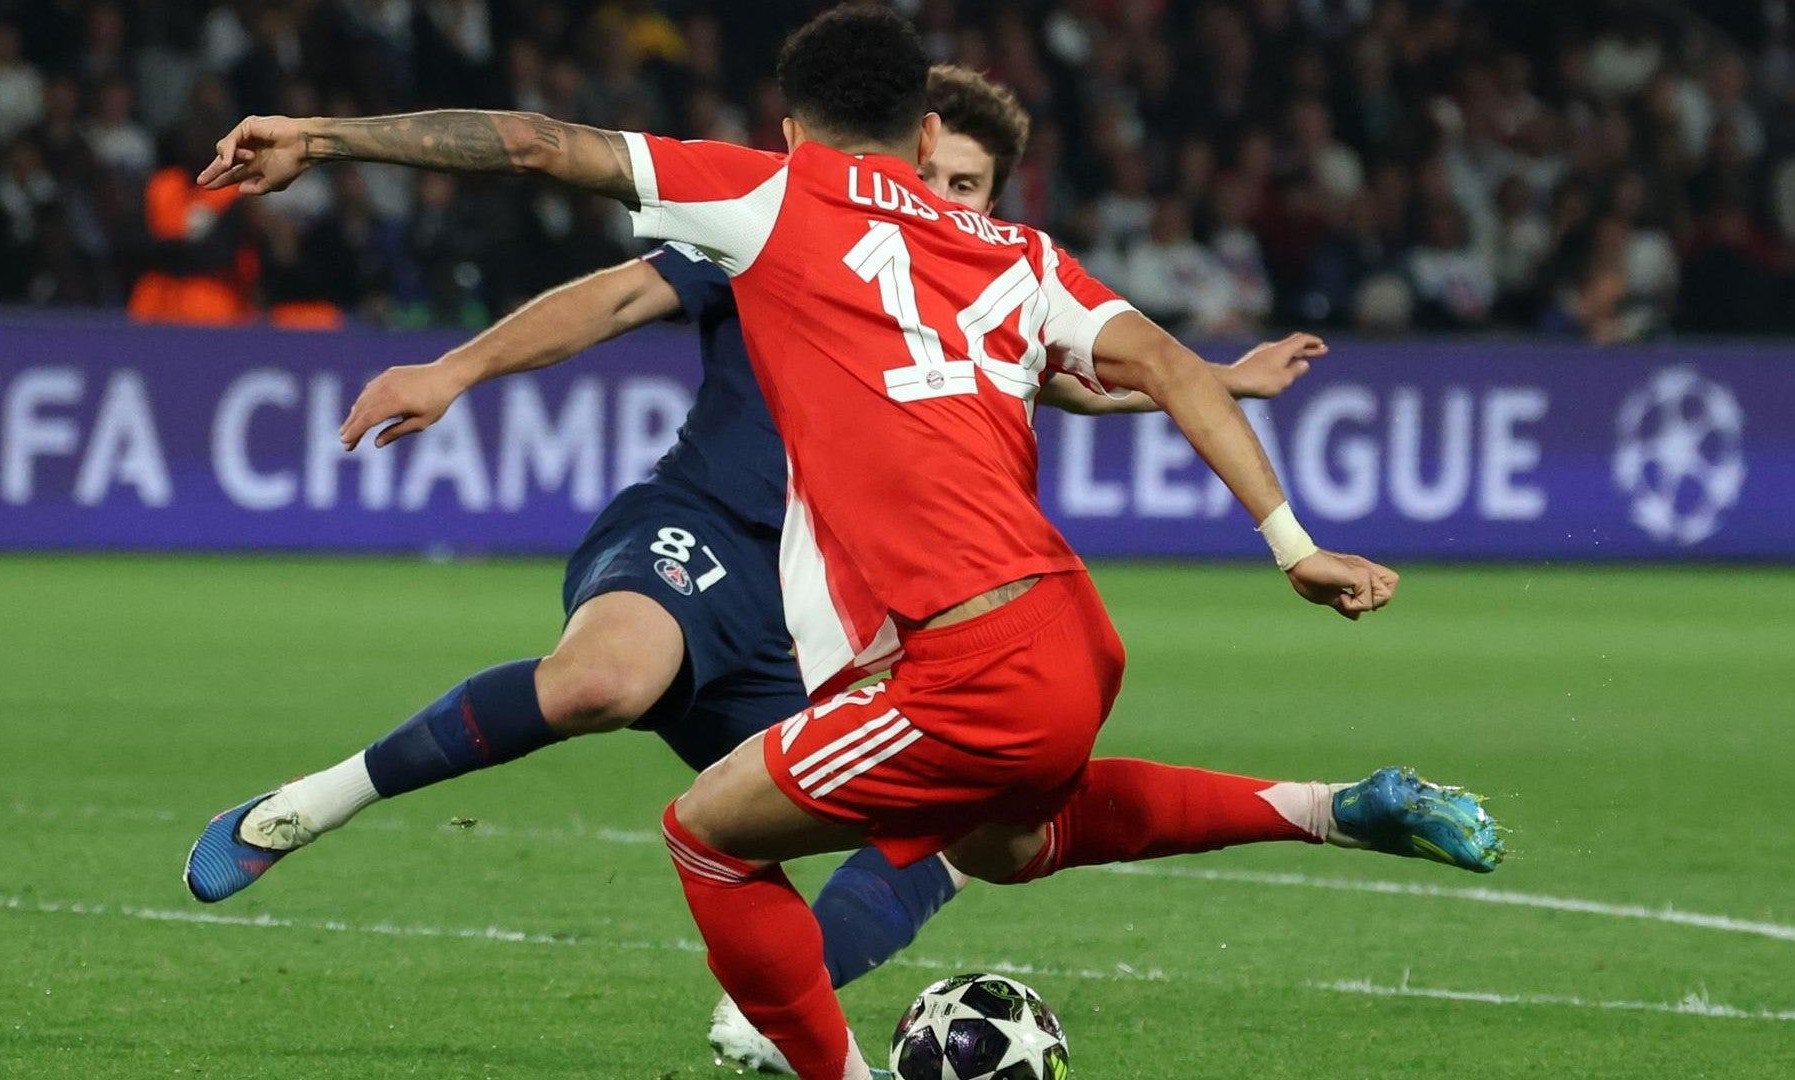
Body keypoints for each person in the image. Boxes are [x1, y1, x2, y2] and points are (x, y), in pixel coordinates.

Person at [194, 10, 1501, 1077]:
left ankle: (823, 1067)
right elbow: (1154, 362)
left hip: (961, 647)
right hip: (1053, 624)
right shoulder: (1008, 250)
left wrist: (324, 133)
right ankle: (1336, 807)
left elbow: (539, 143)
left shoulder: (773, 199)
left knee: (710, 834)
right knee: (1002, 845)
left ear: (791, 120)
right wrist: (1290, 542)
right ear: (917, 132)